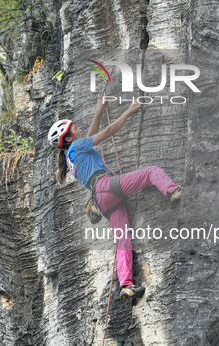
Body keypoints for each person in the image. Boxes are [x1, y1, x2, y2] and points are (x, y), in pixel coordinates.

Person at [48, 95, 183, 299]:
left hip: (101, 200)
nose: (79, 129)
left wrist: (99, 111)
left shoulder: (70, 157)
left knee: (123, 238)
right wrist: (129, 110)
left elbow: (90, 137)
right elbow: (108, 132)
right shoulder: (76, 147)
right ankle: (174, 191)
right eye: (75, 128)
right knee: (150, 172)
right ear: (68, 138)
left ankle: (126, 285)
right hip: (106, 187)